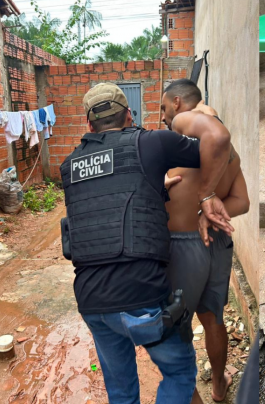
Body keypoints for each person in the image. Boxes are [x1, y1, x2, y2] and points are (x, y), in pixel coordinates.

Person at [59, 83, 234, 403]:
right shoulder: (151, 143)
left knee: (122, 393)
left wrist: (154, 185)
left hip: (91, 301)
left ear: (88, 125)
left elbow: (107, 204)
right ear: (129, 115)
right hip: (140, 294)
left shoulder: (69, 166)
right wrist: (207, 116)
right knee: (180, 374)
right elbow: (216, 141)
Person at [160, 79, 251, 402]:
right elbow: (242, 201)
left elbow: (215, 133)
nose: (163, 117)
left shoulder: (184, 130)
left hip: (184, 247)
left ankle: (190, 397)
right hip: (218, 241)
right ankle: (217, 385)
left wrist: (205, 198)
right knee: (213, 319)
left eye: (164, 108)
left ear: (179, 103)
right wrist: (211, 209)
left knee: (177, 325)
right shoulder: (230, 154)